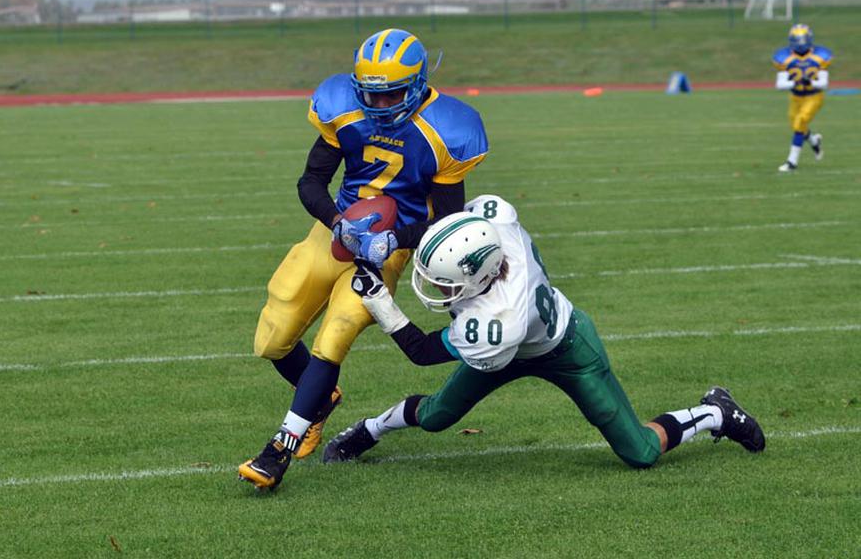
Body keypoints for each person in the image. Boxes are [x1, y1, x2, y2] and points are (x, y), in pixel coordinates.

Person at [323, 194, 766, 468]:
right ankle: (367, 430)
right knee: (439, 416)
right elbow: (457, 223)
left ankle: (715, 412)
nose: (438, 288)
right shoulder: (493, 224)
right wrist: (394, 237)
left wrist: (379, 301)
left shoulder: (497, 319)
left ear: (478, 278)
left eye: (445, 283)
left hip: (566, 348)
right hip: (512, 339)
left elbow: (421, 351)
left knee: (640, 453)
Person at [238, 29, 489, 490]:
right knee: (272, 339)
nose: (378, 103)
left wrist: (394, 241)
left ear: (415, 85)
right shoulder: (343, 106)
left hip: (387, 249)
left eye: (389, 92)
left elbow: (449, 220)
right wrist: (336, 220)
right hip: (336, 231)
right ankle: (319, 400)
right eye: (369, 92)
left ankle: (278, 450)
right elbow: (310, 181)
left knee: (337, 331)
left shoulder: (447, 128)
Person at [773, 24, 832, 172]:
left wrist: (810, 81)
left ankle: (792, 162)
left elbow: (824, 83)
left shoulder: (820, 56)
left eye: (803, 39)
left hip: (814, 96)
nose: (800, 43)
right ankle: (814, 140)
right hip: (795, 97)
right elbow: (780, 84)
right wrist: (797, 81)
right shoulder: (784, 58)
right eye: (797, 40)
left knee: (800, 122)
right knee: (797, 126)